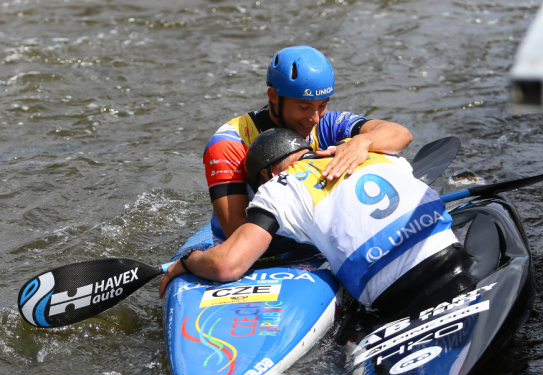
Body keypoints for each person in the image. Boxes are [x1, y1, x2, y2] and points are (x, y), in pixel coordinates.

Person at [161, 128, 471, 315]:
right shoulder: (370, 152)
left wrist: (188, 262)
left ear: (267, 176)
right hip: (455, 256)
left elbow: (227, 265)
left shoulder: (279, 189)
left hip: (397, 294)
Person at [204, 45, 412, 243]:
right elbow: (235, 229)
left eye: (322, 105)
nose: (315, 119)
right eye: (304, 106)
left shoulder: (327, 123)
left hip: (312, 239)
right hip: (253, 248)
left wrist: (362, 142)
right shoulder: (229, 142)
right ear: (274, 96)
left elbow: (400, 134)